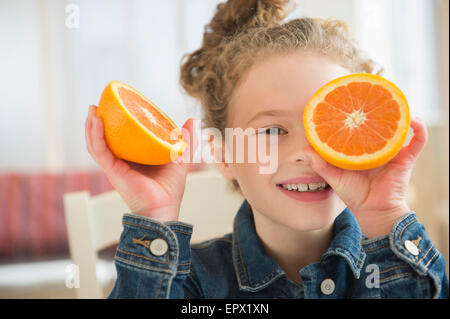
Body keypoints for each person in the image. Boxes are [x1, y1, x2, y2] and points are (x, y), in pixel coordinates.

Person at [85, 0, 448, 298]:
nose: (308, 153)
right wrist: (154, 217)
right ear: (223, 154)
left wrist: (386, 218)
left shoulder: (392, 268)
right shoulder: (189, 284)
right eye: (274, 130)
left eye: (326, 128)